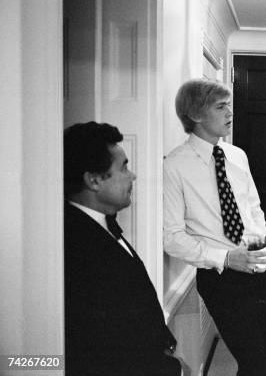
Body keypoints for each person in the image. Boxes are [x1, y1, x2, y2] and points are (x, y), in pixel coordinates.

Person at [163, 78, 266, 376]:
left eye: (229, 105)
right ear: (196, 114)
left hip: (263, 271)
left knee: (258, 362)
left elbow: (253, 207)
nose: (230, 112)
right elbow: (171, 237)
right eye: (221, 106)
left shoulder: (237, 155)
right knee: (260, 366)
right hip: (222, 279)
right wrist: (227, 258)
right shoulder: (173, 166)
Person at [64, 122, 181, 376]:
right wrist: (171, 370)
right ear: (94, 180)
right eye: (124, 167)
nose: (133, 175)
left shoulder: (101, 223)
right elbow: (103, 346)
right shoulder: (77, 247)